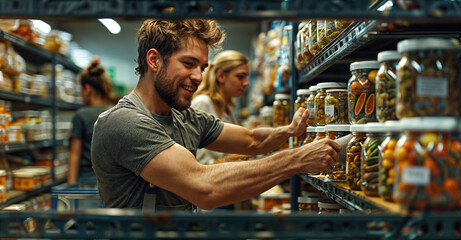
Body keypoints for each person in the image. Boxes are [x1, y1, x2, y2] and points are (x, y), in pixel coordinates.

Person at [91, 19, 341, 212]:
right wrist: (296, 159)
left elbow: (252, 139)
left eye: (202, 67)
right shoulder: (122, 123)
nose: (199, 77)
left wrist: (289, 130)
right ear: (154, 60)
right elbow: (205, 188)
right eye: (188, 64)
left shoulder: (185, 117)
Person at [191, 50, 250, 165]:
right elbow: (198, 158)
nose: (246, 83)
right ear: (221, 76)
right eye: (240, 77)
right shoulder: (203, 103)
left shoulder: (226, 108)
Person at [67, 57, 113, 185]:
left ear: (87, 89)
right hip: (110, 183)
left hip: (86, 184)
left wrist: (71, 187)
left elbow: (75, 155)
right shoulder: (116, 112)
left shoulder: (81, 116)